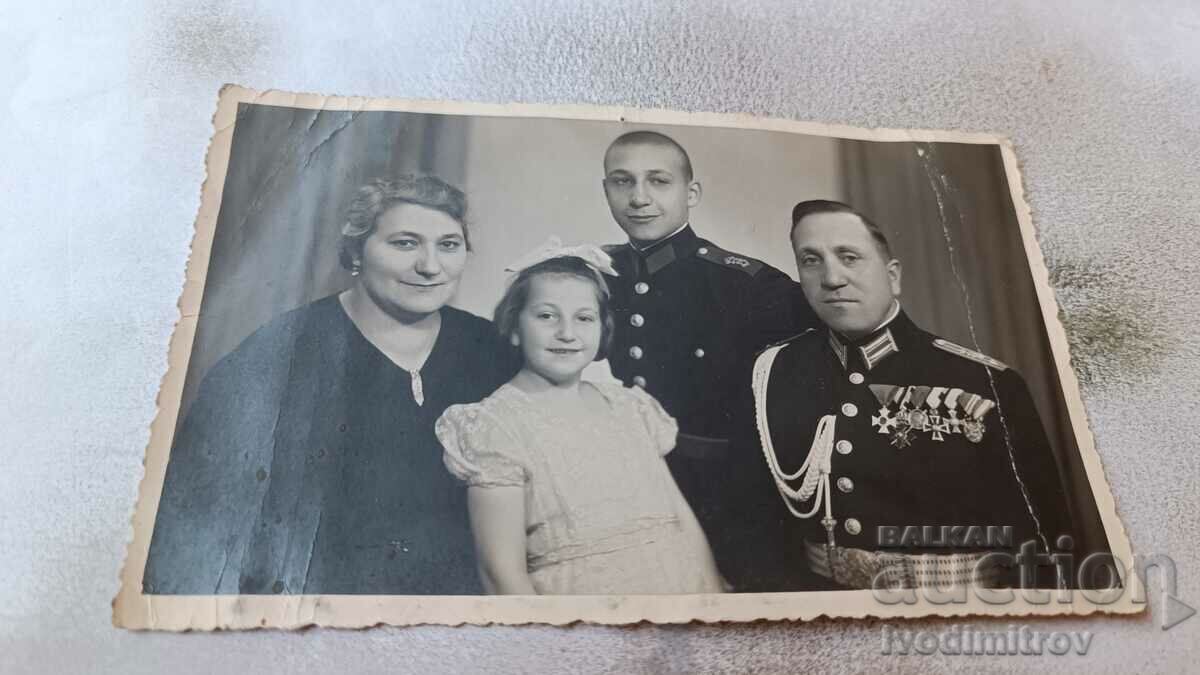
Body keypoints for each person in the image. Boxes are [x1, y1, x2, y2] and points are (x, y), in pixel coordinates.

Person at [143, 175, 520, 595]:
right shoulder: (275, 356)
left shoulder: (495, 351)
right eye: (405, 243)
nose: (430, 266)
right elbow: (196, 535)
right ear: (357, 251)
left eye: (448, 245)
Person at [750, 199, 1078, 591]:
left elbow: (1043, 543)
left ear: (893, 276)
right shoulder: (779, 372)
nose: (832, 278)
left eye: (849, 257)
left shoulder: (984, 381)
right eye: (810, 260)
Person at [435, 242, 723, 595]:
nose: (567, 333)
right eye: (546, 316)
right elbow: (501, 575)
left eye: (583, 318)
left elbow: (682, 521)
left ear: (603, 329)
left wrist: (711, 600)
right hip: (579, 623)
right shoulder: (494, 426)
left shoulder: (629, 407)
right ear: (513, 326)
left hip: (681, 597)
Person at [598, 130, 817, 590]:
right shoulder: (592, 274)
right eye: (623, 182)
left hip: (727, 500)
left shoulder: (748, 287)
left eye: (658, 181)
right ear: (607, 190)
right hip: (619, 493)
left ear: (690, 192)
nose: (639, 198)